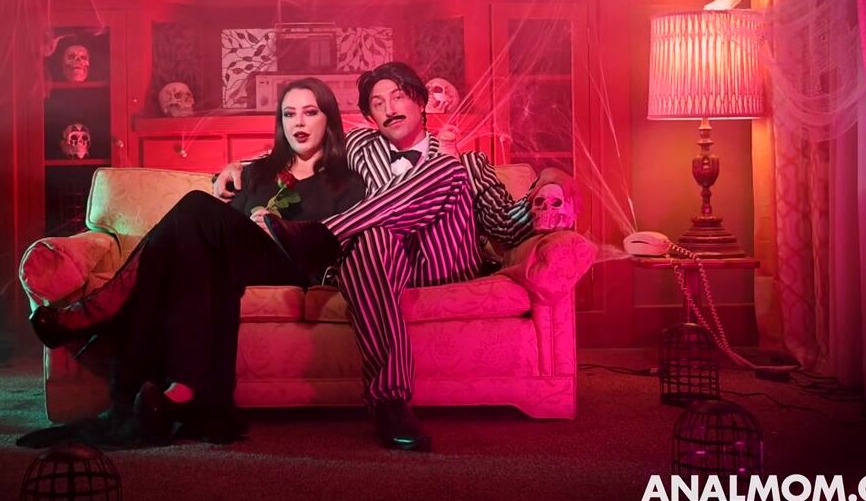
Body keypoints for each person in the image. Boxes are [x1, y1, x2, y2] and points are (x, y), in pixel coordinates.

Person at [213, 62, 542, 452]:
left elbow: (506, 228)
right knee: (370, 239)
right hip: (381, 265)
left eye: (399, 97)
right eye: (378, 103)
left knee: (447, 170)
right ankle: (390, 402)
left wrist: (546, 194)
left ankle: (326, 234)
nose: (390, 109)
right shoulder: (358, 146)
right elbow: (299, 149)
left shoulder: (469, 163)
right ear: (370, 115)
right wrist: (235, 168)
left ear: (421, 102)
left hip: (443, 262)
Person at [26, 78, 366, 446]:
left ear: (328, 119)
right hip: (238, 262)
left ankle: (103, 309)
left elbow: (330, 246)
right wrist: (241, 191)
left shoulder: (345, 182)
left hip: (290, 262)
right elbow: (222, 231)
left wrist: (274, 227)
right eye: (288, 114)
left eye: (310, 112)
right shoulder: (259, 172)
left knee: (195, 206)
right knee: (193, 258)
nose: (298, 122)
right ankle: (183, 391)